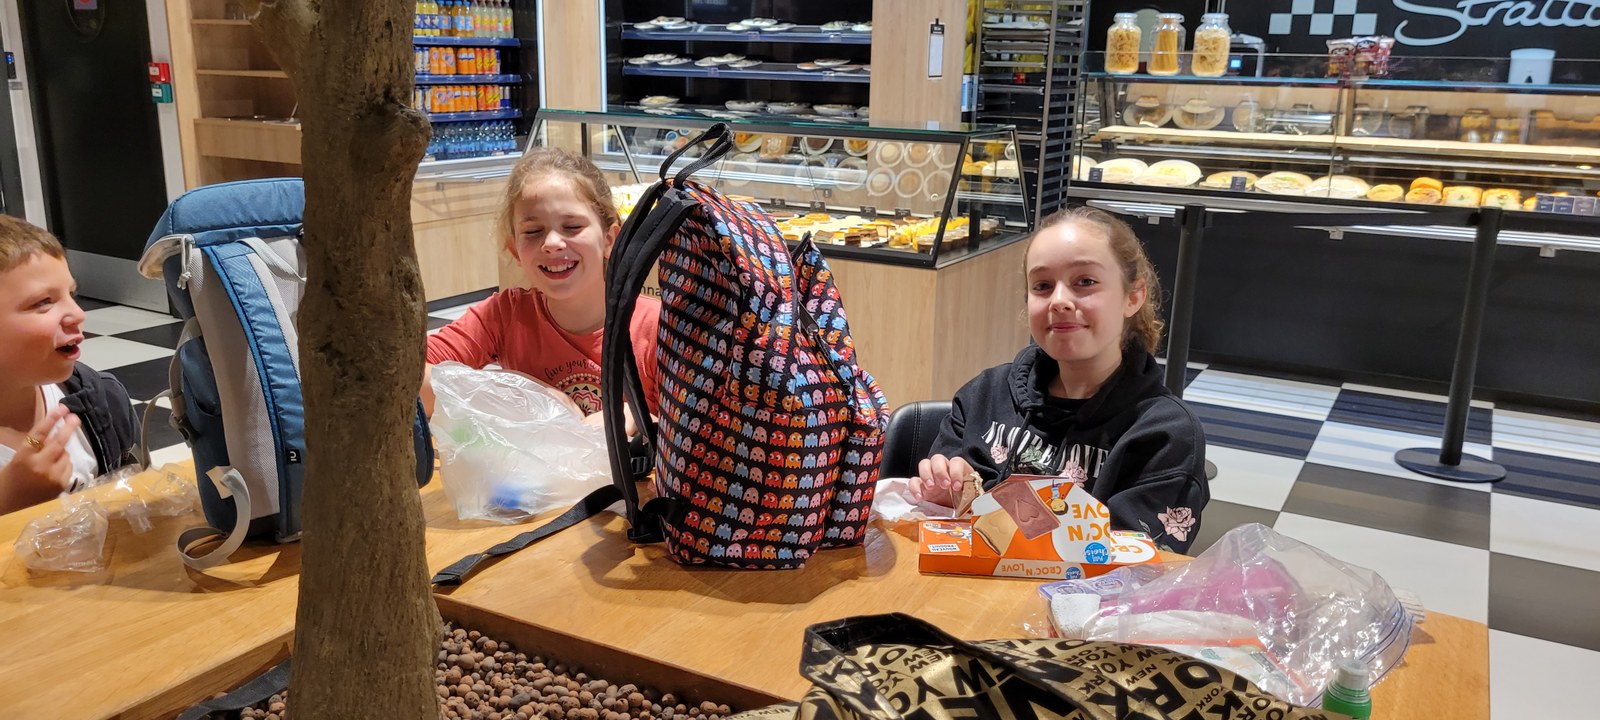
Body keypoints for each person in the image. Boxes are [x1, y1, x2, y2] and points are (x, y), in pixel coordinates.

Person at [911, 207, 1209, 552]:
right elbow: (944, 515)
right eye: (1042, 286)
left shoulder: (1165, 435)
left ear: (1133, 297)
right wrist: (943, 492)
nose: (1060, 301)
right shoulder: (983, 395)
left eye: (1085, 282)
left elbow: (1132, 563)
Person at [423, 147, 660, 430]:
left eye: (572, 226)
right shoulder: (504, 315)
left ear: (610, 240)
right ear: (515, 250)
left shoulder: (657, 328)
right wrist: (514, 391)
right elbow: (410, 379)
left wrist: (636, 417)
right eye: (533, 232)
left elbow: (692, 432)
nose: (552, 244)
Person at [0, 216, 140, 514]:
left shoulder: (99, 398)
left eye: (71, 294)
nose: (78, 314)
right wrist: (9, 503)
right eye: (43, 302)